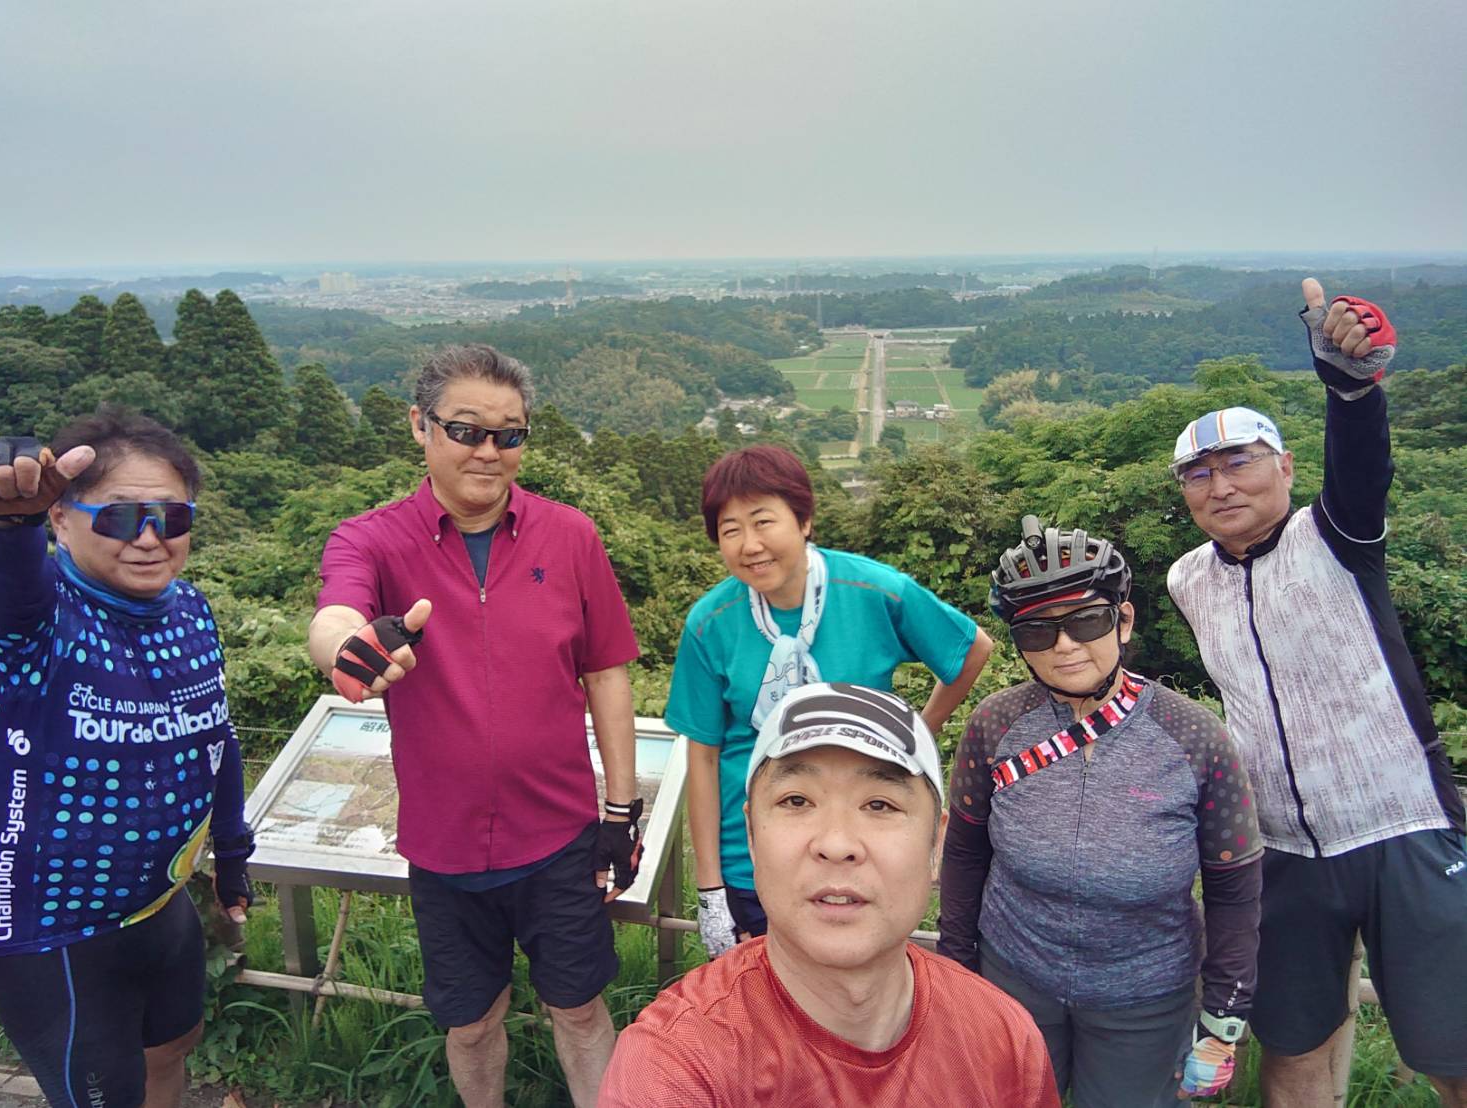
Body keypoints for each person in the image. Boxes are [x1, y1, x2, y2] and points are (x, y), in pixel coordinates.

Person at [307, 344, 642, 1108]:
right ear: (419, 426)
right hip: (445, 846)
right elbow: (336, 613)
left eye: (508, 434)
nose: (488, 451)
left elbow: (606, 673)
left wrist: (621, 814)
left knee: (580, 1010)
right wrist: (348, 649)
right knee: (469, 1024)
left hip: (560, 835)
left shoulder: (570, 536)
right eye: (465, 430)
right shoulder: (372, 538)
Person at [1166, 280, 1467, 1108]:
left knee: (1452, 1053)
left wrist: (1349, 387)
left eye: (1239, 462)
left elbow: (1362, 467)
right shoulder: (1186, 579)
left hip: (1401, 824)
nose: (1220, 485)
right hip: (1282, 852)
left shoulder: (1335, 535)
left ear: (1285, 467)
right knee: (1292, 1048)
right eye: (1198, 473)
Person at [600, 681, 1059, 1106]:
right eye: (796, 801)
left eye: (879, 804)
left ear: (935, 845)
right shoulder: (676, 1065)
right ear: (752, 836)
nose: (836, 843)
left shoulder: (1003, 1037)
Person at [937, 516, 1261, 1107]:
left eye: (1086, 621)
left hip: (1145, 998)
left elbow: (1234, 889)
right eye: (1037, 631)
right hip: (1013, 977)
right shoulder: (995, 725)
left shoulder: (1195, 737)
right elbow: (964, 855)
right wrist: (957, 971)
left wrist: (1223, 1018)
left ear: (1124, 620)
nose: (1064, 646)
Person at [0, 409, 251, 1108]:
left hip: (159, 905)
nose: (149, 537)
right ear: (60, 518)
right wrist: (9, 527)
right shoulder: (35, 621)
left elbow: (216, 739)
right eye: (120, 516)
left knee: (172, 1052)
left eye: (171, 516)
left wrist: (233, 854)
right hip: (55, 928)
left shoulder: (189, 609)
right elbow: (13, 588)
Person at [667, 444, 992, 957]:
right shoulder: (712, 622)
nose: (750, 545)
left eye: (763, 521)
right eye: (730, 530)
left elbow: (971, 649)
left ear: (804, 520)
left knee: (852, 985)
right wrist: (711, 890)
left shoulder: (872, 590)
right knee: (763, 999)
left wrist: (917, 733)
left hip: (858, 848)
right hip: (752, 855)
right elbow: (703, 756)